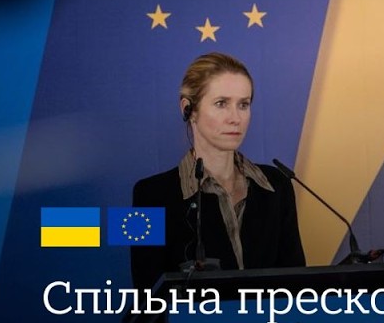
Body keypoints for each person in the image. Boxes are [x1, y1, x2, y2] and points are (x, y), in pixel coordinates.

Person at [130, 52, 305, 290]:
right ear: (189, 109)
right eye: (221, 103)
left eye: (243, 105)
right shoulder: (147, 195)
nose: (235, 118)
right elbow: (146, 293)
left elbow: (296, 285)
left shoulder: (278, 184)